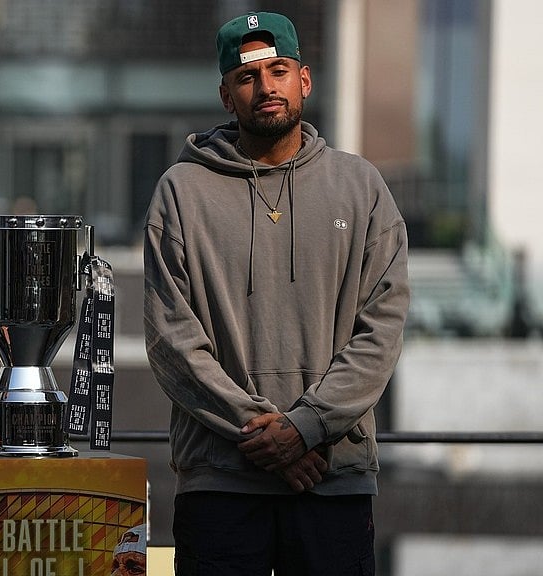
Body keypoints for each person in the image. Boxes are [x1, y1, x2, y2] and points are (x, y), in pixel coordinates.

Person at [143, 12, 409, 576]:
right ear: (225, 94)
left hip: (331, 479)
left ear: (304, 81)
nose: (265, 88)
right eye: (247, 78)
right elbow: (172, 341)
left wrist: (304, 429)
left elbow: (380, 333)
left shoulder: (361, 188)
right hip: (220, 484)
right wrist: (269, 436)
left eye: (279, 71)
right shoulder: (181, 193)